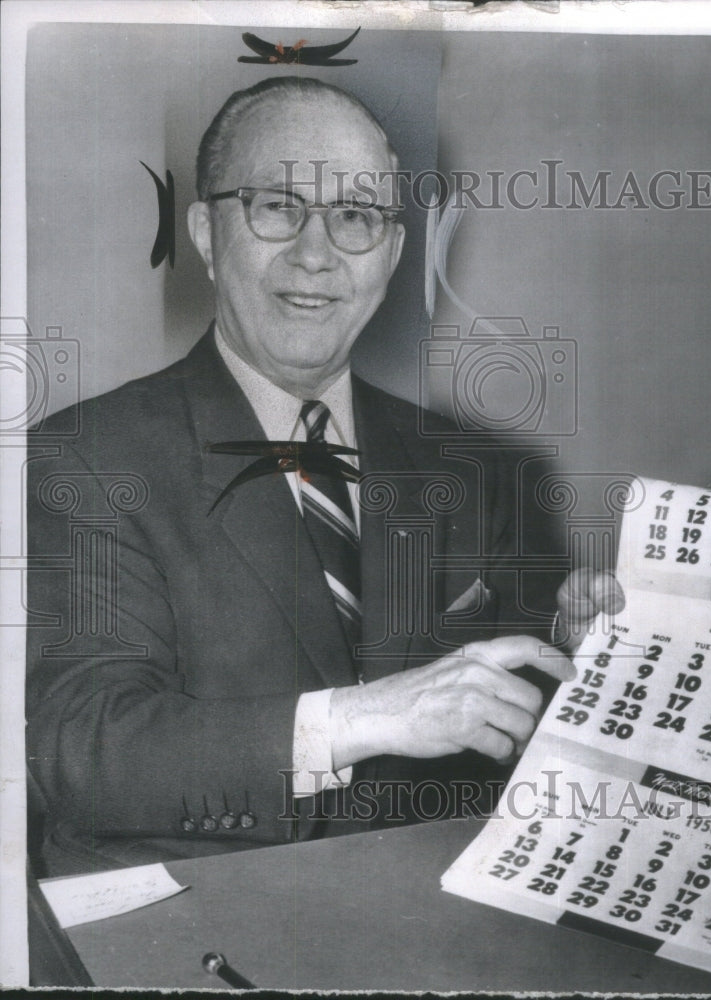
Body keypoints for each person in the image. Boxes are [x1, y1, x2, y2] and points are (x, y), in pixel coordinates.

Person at [26, 77, 620, 876]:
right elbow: (83, 754)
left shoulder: (479, 469)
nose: (316, 254)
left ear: (394, 253)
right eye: (277, 205)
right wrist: (362, 717)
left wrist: (600, 664)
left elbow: (517, 740)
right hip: (188, 921)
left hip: (423, 908)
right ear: (206, 232)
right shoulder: (89, 455)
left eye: (355, 216)